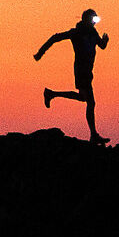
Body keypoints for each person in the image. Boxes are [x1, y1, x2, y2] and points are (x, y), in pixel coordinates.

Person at [34, 8, 110, 143]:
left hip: (88, 71)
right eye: (93, 20)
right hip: (81, 70)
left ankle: (51, 94)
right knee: (91, 102)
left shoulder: (93, 33)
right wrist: (40, 53)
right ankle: (93, 135)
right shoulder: (76, 33)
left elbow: (101, 46)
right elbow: (55, 38)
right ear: (86, 20)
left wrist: (105, 41)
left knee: (83, 98)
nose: (94, 23)